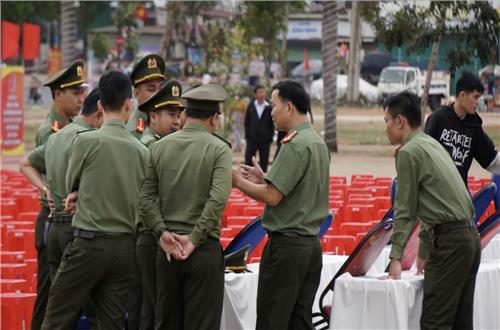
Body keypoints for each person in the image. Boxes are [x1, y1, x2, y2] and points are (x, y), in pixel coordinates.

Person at [42, 71, 150, 330]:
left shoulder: (86, 141)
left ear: (100, 105)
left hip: (89, 246)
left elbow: (72, 185)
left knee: (58, 315)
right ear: (129, 104)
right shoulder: (142, 151)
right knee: (110, 322)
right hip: (125, 249)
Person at [232, 80, 330, 330]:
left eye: (274, 106)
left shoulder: (294, 143)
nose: (271, 112)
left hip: (287, 248)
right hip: (309, 245)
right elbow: (298, 189)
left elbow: (274, 196)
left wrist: (237, 182)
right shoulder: (317, 143)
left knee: (271, 319)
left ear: (288, 108)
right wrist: (265, 179)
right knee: (299, 321)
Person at [383, 91, 480, 330]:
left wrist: (395, 257)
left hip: (450, 244)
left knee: (434, 324)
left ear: (399, 121)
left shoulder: (408, 152)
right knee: (460, 323)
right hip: (468, 238)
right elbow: (434, 203)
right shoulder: (430, 144)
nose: (384, 128)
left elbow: (405, 209)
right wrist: (424, 250)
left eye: (386, 121)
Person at [138, 84, 231, 329]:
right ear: (214, 119)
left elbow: (145, 199)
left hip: (166, 252)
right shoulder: (219, 149)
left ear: (186, 115)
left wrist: (162, 233)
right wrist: (194, 238)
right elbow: (218, 199)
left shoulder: (158, 147)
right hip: (202, 252)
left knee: (167, 323)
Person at [20, 88, 103, 279]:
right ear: (100, 114)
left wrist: (46, 189)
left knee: (58, 299)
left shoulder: (59, 136)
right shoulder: (87, 139)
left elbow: (25, 163)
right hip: (76, 229)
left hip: (55, 226)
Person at [30, 60, 87, 330]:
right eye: (74, 93)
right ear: (57, 95)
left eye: (81, 92)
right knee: (49, 296)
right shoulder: (50, 131)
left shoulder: (71, 125)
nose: (80, 99)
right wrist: (45, 189)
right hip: (53, 219)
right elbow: (42, 169)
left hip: (65, 219)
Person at [136, 80, 184, 330]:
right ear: (153, 116)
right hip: (151, 235)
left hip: (161, 234)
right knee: (157, 308)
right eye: (171, 115)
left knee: (156, 307)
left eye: (179, 115)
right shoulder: (149, 148)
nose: (177, 122)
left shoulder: (163, 147)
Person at [425, 72, 500, 186]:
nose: (477, 103)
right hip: (435, 193)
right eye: (475, 97)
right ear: (462, 95)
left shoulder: (474, 125)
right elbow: (422, 155)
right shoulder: (438, 118)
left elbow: (492, 160)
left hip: (459, 196)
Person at [126, 54, 166, 139]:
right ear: (137, 93)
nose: (158, 94)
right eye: (151, 89)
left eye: (160, 88)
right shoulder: (134, 131)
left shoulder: (167, 121)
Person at [244, 85, 274, 172]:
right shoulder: (251, 106)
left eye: (263, 92)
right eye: (260, 92)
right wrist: (247, 136)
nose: (262, 94)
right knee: (249, 160)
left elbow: (272, 123)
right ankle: (247, 178)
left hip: (265, 139)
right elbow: (247, 122)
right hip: (252, 139)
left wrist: (270, 137)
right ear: (255, 94)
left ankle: (262, 180)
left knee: (264, 161)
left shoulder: (269, 107)